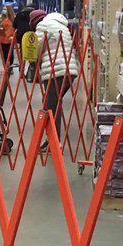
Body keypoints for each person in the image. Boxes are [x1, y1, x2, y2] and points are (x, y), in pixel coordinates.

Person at [34, 11, 79, 154]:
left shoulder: (43, 25)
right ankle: (52, 140)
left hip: (56, 71)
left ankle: (53, 142)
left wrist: (32, 60)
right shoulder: (62, 25)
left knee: (50, 106)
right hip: (69, 70)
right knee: (54, 105)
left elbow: (37, 48)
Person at [0, 5, 17, 72]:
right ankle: (5, 67)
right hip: (2, 39)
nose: (4, 11)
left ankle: (10, 66)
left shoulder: (13, 18)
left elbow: (16, 28)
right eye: (3, 9)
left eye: (5, 9)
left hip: (10, 39)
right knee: (4, 54)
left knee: (11, 55)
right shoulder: (0, 18)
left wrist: (14, 36)